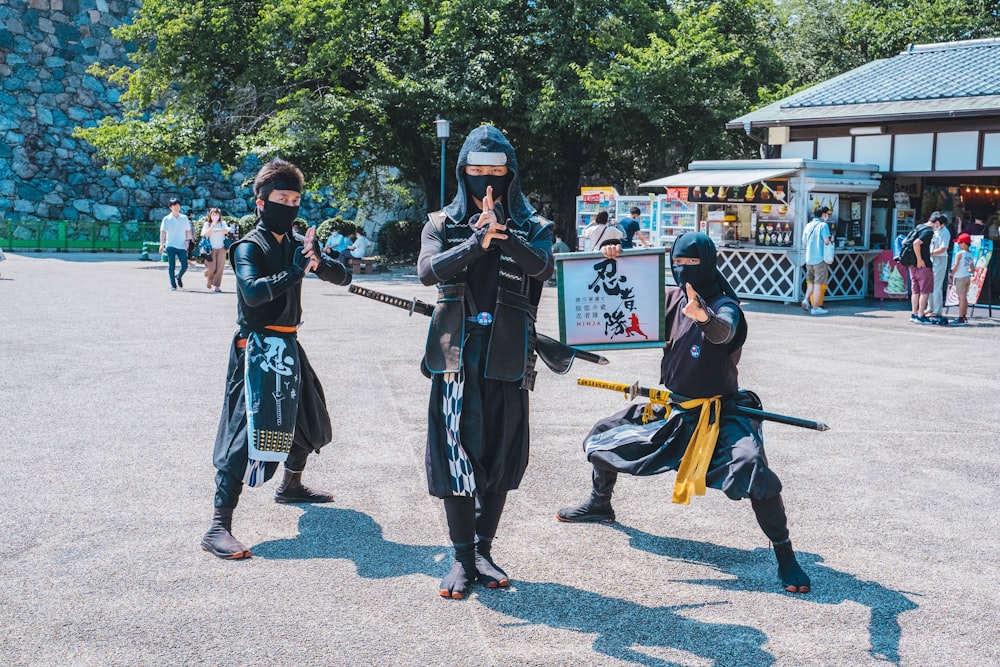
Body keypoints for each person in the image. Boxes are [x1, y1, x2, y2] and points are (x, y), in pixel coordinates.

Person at [556, 233, 811, 594]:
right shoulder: (669, 297)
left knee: (753, 466)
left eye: (692, 264)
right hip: (670, 411)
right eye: (678, 263)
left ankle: (786, 556)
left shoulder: (726, 305)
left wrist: (704, 318)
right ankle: (600, 503)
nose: (683, 271)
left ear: (708, 264)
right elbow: (619, 292)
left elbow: (723, 333)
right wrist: (615, 257)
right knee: (605, 435)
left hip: (717, 416)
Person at [417, 124, 554, 599]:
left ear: (511, 174)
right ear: (462, 174)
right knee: (455, 454)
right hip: (455, 356)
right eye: (476, 172)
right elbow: (426, 271)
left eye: (496, 172)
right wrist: (476, 244)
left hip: (509, 355)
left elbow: (543, 266)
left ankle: (483, 549)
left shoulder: (534, 226)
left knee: (499, 451)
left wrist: (505, 236)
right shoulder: (441, 223)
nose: (486, 182)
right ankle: (459, 555)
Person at [200, 159, 353, 560]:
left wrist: (318, 260)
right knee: (244, 431)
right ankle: (218, 526)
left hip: (288, 344)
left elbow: (342, 277)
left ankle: (291, 486)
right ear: (261, 202)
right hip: (256, 349)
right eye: (281, 198)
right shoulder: (250, 244)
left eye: (295, 198)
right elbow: (252, 292)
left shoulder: (297, 242)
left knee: (307, 414)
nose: (289, 205)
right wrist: (296, 271)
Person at [801, 206, 832, 315]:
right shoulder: (823, 225)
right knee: (819, 284)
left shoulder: (808, 225)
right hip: (820, 259)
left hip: (809, 259)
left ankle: (805, 300)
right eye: (826, 214)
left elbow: (803, 241)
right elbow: (826, 241)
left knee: (811, 283)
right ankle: (815, 308)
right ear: (823, 214)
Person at [159, 197, 192, 291]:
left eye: (178, 205)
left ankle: (178, 276)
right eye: (174, 205)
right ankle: (173, 285)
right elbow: (163, 232)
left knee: (185, 265)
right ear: (170, 207)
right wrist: (161, 244)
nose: (176, 207)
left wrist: (187, 241)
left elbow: (188, 230)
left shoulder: (184, 218)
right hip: (170, 245)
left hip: (181, 245)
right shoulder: (167, 219)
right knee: (171, 266)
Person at [908, 216, 936, 324]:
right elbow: (916, 243)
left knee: (915, 291)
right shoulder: (929, 231)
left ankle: (914, 314)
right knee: (925, 291)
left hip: (912, 265)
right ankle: (920, 315)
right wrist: (920, 259)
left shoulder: (919, 227)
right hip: (923, 265)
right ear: (937, 222)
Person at [925, 212, 950, 325]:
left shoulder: (945, 232)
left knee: (936, 285)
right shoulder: (936, 231)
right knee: (930, 284)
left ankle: (937, 310)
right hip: (933, 259)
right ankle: (930, 307)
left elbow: (943, 248)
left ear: (939, 223)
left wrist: (930, 253)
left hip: (940, 259)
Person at [201, 207, 231, 292]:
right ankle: (209, 279)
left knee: (220, 268)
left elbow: (226, 231)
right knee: (211, 268)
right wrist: (212, 227)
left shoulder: (222, 223)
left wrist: (218, 229)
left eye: (216, 214)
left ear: (219, 215)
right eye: (213, 214)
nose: (215, 216)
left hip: (221, 248)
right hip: (210, 249)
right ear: (210, 215)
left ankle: (217, 286)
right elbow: (205, 234)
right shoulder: (207, 224)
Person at [949, 233, 974, 326]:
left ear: (963, 243)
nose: (958, 245)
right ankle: (964, 316)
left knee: (961, 298)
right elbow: (972, 268)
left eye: (959, 243)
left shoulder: (959, 254)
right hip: (967, 276)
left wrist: (952, 273)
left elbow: (955, 266)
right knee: (965, 298)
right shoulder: (970, 255)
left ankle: (960, 318)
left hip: (960, 277)